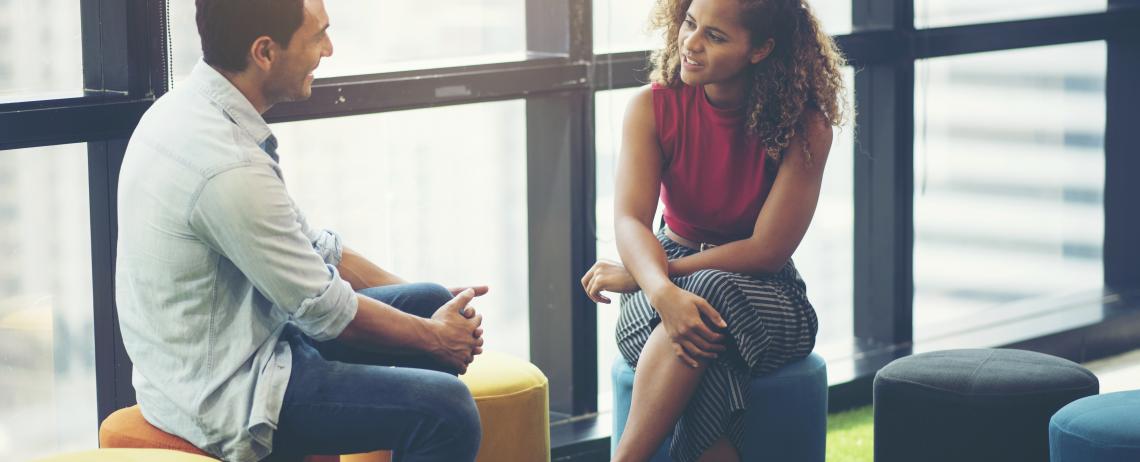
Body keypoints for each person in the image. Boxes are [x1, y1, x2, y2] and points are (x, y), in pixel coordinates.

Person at [115, 1, 485, 461]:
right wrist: (435, 337)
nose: (328, 50)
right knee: (447, 411)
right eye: (317, 37)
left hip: (249, 338)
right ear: (265, 52)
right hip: (227, 389)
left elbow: (315, 250)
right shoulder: (226, 164)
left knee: (427, 298)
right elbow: (326, 312)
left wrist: (432, 308)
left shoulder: (195, 110)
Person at [580, 0, 848, 460]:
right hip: (661, 283)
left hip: (769, 295)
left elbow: (766, 250)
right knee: (708, 359)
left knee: (707, 301)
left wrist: (656, 277)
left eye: (716, 36)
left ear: (760, 49)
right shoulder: (650, 106)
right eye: (689, 23)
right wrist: (661, 291)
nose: (691, 43)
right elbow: (628, 219)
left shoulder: (805, 125)